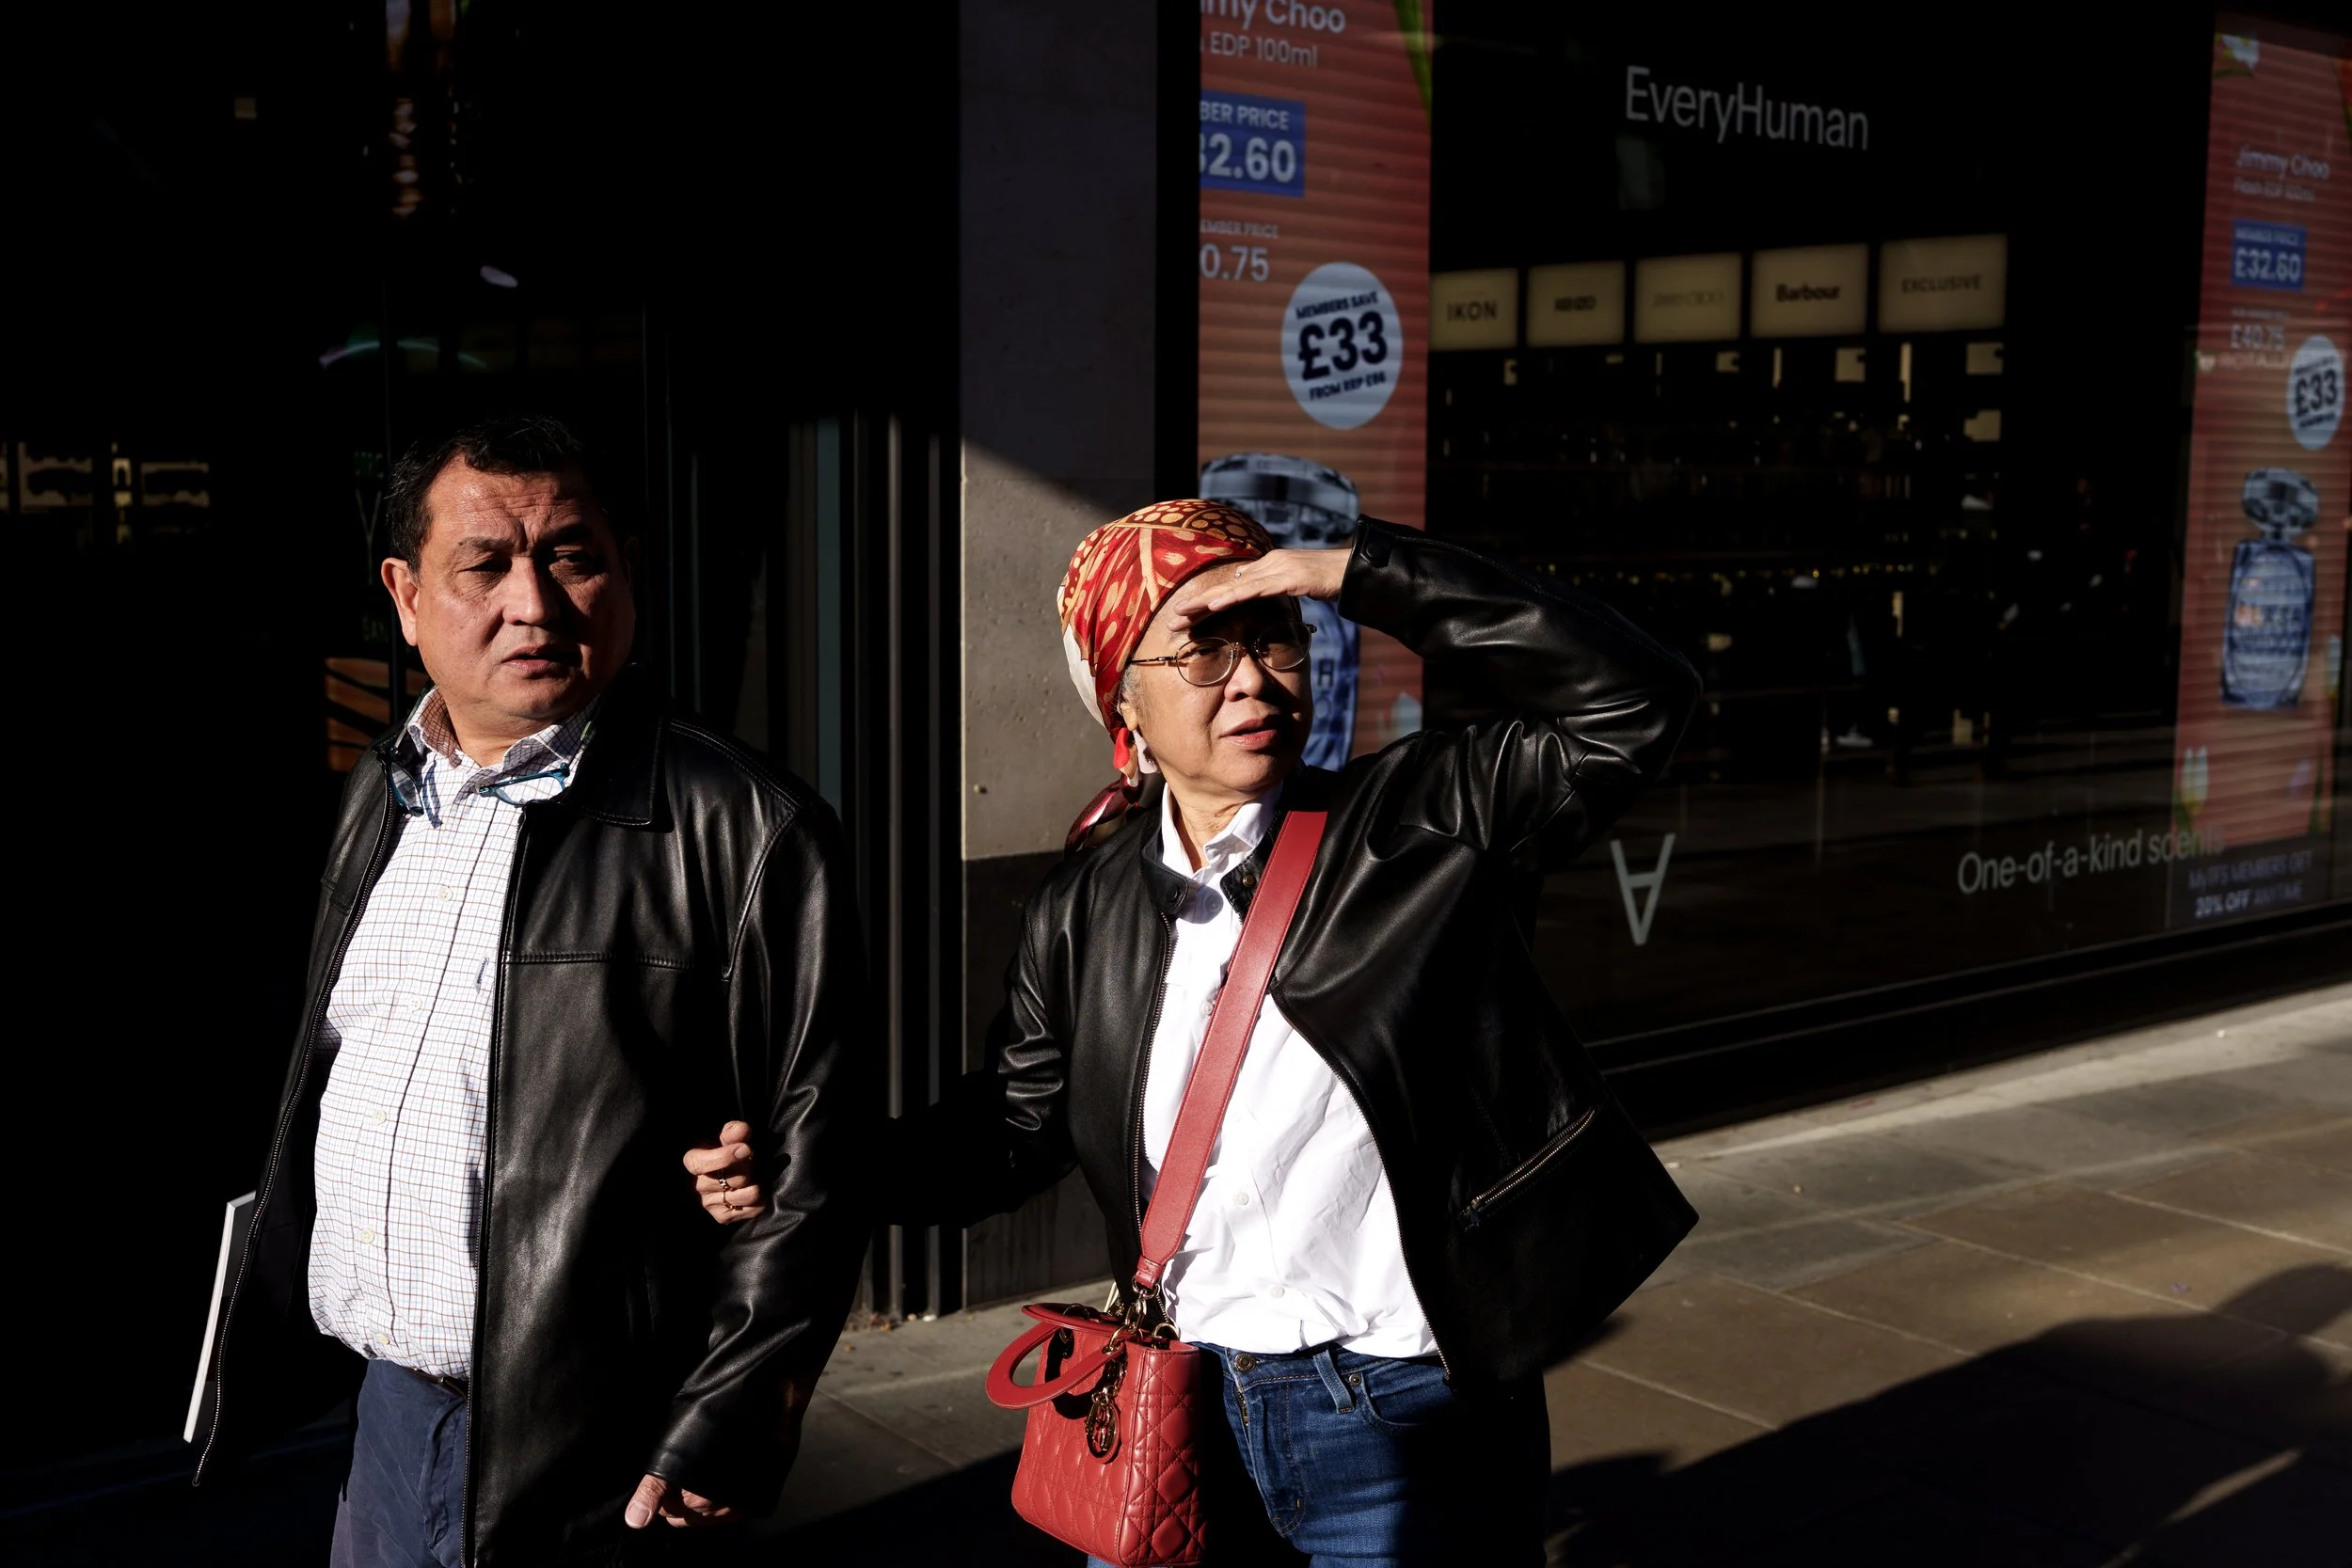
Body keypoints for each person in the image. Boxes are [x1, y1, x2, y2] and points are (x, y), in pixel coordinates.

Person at [695, 500, 1703, 1564]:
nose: (1255, 678)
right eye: (1204, 648)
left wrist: (1353, 570)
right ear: (1122, 696)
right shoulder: (1083, 905)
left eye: (1275, 635)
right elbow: (1013, 1127)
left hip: (1403, 1410)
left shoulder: (1419, 821)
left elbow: (1636, 698)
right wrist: (815, 1164)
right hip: (1178, 1404)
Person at [192, 416, 871, 1566]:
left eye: (570, 554)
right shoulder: (380, 794)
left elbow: (816, 1158)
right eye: (485, 564)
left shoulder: (747, 828)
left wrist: (735, 1412)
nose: (536, 602)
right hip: (386, 1419)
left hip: (594, 1446)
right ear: (405, 596)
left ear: (628, 568)